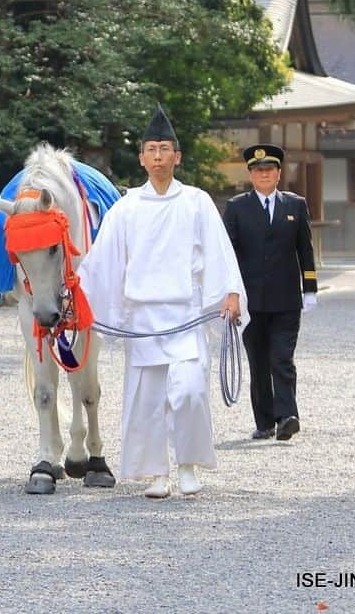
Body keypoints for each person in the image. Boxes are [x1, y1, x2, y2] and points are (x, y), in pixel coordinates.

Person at [77, 105, 246, 499]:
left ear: (177, 156)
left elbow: (221, 253)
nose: (157, 156)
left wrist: (231, 293)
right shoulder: (126, 208)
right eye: (150, 149)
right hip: (143, 319)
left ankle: (187, 465)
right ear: (141, 157)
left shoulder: (197, 201)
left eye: (164, 149)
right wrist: (79, 300)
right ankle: (157, 473)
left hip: (184, 316)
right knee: (148, 401)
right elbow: (103, 263)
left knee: (188, 392)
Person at [223, 144, 317, 442]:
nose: (264, 174)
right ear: (251, 175)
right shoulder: (237, 207)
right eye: (258, 170)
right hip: (251, 301)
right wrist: (229, 293)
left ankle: (288, 416)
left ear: (279, 173)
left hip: (287, 299)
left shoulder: (295, 205)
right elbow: (227, 255)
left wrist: (310, 288)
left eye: (269, 170)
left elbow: (306, 249)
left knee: (282, 358)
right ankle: (264, 422)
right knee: (259, 362)